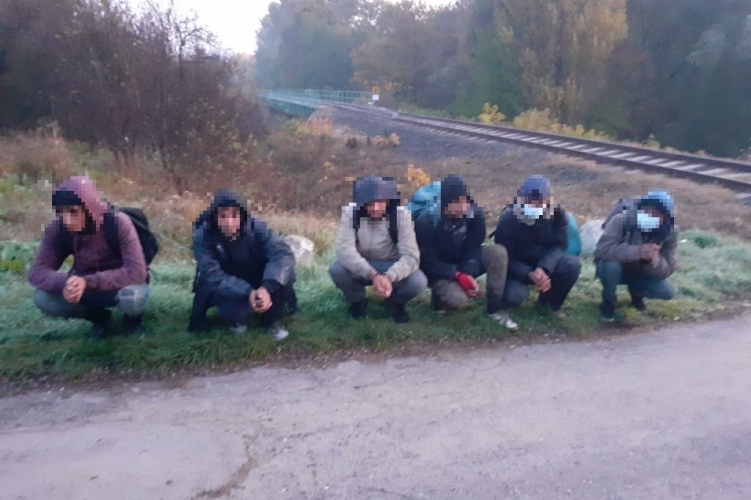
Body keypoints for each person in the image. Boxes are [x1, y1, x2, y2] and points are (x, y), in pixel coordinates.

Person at [28, 176, 149, 338]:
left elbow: (136, 272)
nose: (67, 220)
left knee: (132, 297)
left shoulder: (118, 223)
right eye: (61, 212)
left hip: (120, 285)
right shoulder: (58, 228)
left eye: (73, 212)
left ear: (88, 208)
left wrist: (88, 281)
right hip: (84, 287)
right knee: (42, 298)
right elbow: (37, 271)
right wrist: (67, 282)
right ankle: (100, 319)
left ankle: (133, 321)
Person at [188, 189, 296, 340]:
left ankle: (271, 320)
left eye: (234, 215)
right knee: (232, 312)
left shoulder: (258, 227)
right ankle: (234, 317)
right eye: (222, 216)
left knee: (286, 274)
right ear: (214, 217)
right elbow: (211, 273)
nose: (229, 222)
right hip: (227, 282)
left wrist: (266, 288)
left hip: (258, 275)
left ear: (242, 215)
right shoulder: (202, 236)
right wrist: (247, 291)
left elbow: (283, 254)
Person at [415, 174, 517, 330]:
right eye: (457, 202)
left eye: (464, 200)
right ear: (446, 203)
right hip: (439, 271)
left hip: (463, 261)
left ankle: (495, 308)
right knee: (458, 300)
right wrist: (457, 275)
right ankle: (439, 299)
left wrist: (468, 274)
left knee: (498, 252)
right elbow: (427, 263)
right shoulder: (427, 221)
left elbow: (473, 247)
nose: (463, 207)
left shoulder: (474, 214)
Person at [329, 176, 427, 323]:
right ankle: (358, 301)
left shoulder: (401, 216)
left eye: (380, 202)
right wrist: (372, 275)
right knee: (337, 270)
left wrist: (389, 277)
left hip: (390, 264)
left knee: (418, 282)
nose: (375, 208)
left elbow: (411, 256)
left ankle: (396, 303)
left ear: (388, 201)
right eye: (370, 203)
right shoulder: (351, 213)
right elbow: (344, 249)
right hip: (362, 264)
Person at [493, 176, 581, 318]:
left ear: (547, 200)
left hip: (544, 263)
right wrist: (528, 273)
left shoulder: (557, 214)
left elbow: (560, 245)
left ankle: (549, 305)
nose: (535, 207)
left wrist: (544, 268)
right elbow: (505, 257)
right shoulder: (508, 219)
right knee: (514, 296)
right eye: (530, 203)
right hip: (517, 268)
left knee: (571, 264)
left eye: (540, 203)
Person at [594, 191, 677, 321]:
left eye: (656, 214)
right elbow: (602, 249)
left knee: (667, 292)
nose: (650, 215)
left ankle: (636, 295)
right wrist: (638, 251)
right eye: (647, 210)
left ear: (665, 218)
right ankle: (608, 302)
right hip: (614, 268)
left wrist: (653, 261)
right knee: (611, 267)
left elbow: (668, 268)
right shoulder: (621, 220)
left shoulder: (669, 233)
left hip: (640, 271)